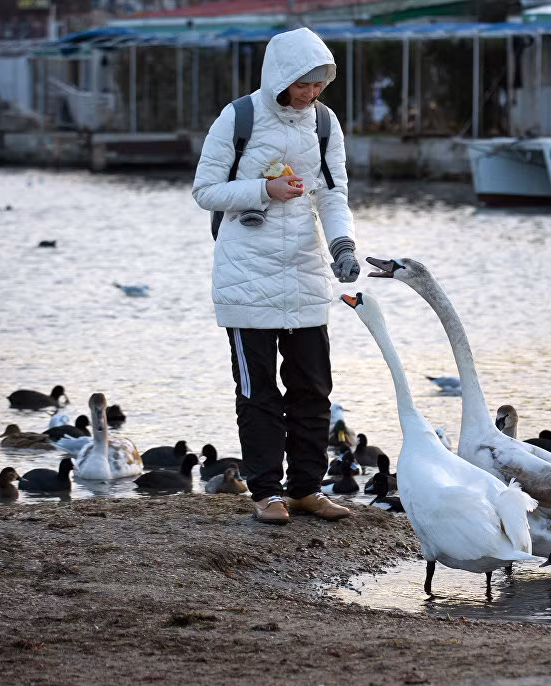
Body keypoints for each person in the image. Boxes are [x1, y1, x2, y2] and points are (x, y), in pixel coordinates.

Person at [192, 27, 359, 525]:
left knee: (313, 387)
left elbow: (332, 195)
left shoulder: (325, 124)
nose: (310, 94)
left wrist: (342, 245)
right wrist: (264, 189)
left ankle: (307, 487)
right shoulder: (238, 117)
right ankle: (266, 492)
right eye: (303, 84)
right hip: (246, 275)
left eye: (319, 85)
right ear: (279, 78)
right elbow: (205, 191)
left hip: (305, 273)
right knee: (257, 389)